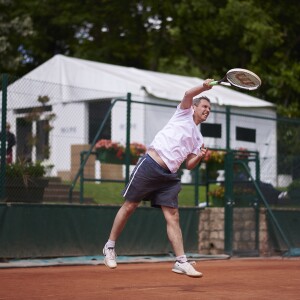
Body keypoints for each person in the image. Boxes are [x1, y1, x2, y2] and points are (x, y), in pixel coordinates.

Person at [103, 79, 214, 278]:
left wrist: (200, 155)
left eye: (209, 109)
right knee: (130, 206)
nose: (207, 110)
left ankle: (181, 261)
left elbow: (189, 164)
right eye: (204, 106)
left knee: (173, 216)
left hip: (169, 176)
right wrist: (204, 87)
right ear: (195, 107)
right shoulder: (183, 113)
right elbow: (188, 93)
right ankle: (109, 247)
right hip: (150, 165)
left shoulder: (198, 139)